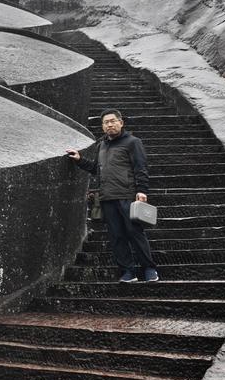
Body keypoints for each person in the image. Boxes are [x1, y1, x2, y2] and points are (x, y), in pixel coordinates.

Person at [65, 109, 159, 282]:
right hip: (107, 198)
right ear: (102, 126)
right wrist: (79, 159)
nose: (109, 124)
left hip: (128, 195)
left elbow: (141, 167)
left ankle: (149, 268)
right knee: (116, 236)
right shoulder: (101, 145)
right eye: (106, 122)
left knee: (134, 232)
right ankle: (128, 271)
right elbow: (96, 169)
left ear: (121, 122)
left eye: (113, 121)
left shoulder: (133, 142)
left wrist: (142, 190)